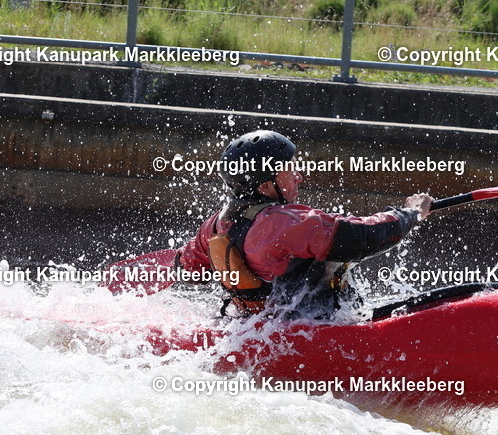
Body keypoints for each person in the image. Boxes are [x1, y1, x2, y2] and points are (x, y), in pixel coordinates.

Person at [178, 130, 433, 319]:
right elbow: (363, 235)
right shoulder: (286, 224)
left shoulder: (215, 225)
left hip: (255, 330)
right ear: (265, 186)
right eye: (289, 170)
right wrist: (410, 213)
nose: (299, 177)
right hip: (313, 331)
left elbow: (188, 270)